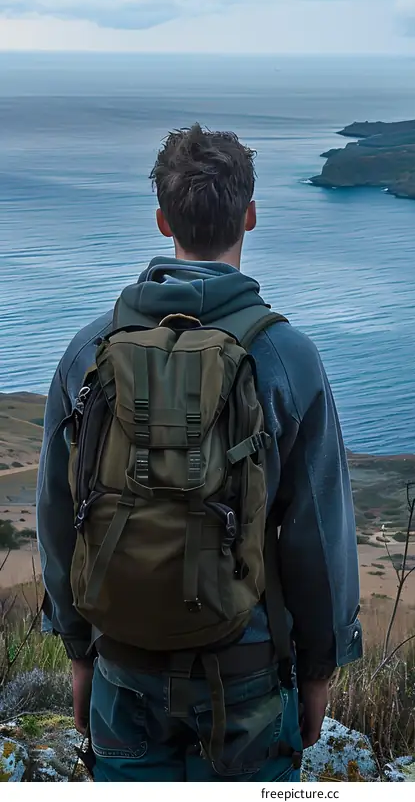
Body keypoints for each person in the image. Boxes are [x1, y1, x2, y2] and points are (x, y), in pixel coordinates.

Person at [37, 124, 362, 783]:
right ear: (250, 215)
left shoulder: (90, 350)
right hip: (245, 671)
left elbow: (57, 515)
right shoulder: (286, 357)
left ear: (162, 220)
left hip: (121, 667)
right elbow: (318, 539)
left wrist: (78, 653)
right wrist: (320, 669)